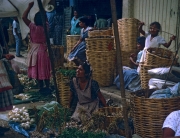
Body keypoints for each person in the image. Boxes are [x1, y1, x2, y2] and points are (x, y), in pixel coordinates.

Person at [22, 2, 52, 94]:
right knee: (44, 68)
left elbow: (23, 17)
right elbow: (45, 19)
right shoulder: (46, 27)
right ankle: (47, 86)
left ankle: (40, 87)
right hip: (43, 50)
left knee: (38, 69)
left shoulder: (33, 27)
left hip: (35, 51)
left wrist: (29, 7)